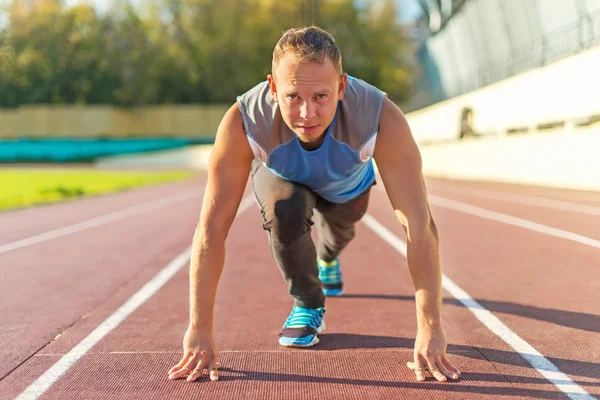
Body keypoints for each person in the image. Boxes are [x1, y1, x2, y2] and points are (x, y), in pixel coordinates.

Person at [167, 26, 461, 384]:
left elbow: (419, 223)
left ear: (341, 87)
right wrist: (199, 329)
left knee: (339, 233)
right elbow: (212, 227)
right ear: (273, 89)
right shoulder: (245, 120)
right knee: (284, 210)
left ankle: (328, 257)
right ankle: (308, 302)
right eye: (293, 96)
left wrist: (430, 327)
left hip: (346, 190)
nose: (307, 113)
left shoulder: (379, 116)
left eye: (321, 95)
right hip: (283, 177)